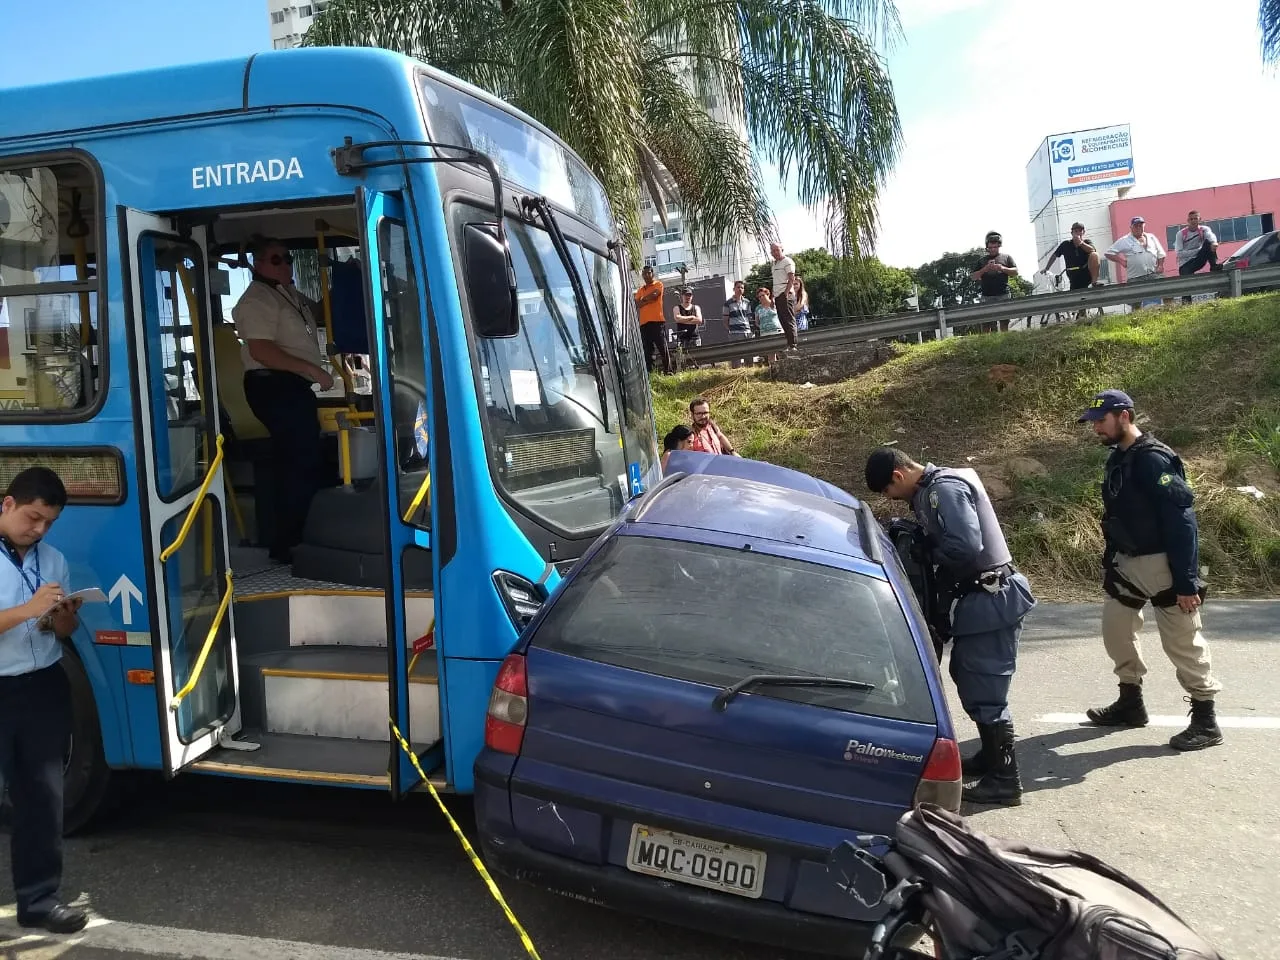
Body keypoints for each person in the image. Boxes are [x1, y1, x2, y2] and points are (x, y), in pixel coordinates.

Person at [865, 448, 1036, 806]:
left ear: (898, 476)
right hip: (980, 598)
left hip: (992, 597)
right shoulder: (933, 487)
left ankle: (1006, 779)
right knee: (969, 676)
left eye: (887, 492)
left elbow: (966, 547)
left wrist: (927, 552)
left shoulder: (943, 490)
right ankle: (991, 759)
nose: (890, 499)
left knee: (984, 684)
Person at [1077, 390, 1223, 751]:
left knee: (1182, 642)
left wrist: (1187, 581)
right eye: (1093, 421)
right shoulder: (1120, 457)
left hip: (1163, 565)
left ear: (1124, 416)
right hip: (1127, 564)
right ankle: (1131, 703)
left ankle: (1206, 719)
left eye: (1101, 420)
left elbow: (1182, 521)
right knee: (1116, 630)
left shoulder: (1154, 459)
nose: (1095, 427)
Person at [0, 467, 88, 934]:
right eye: (33, 517)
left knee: (42, 798)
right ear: (8, 504)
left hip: (41, 683)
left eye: (49, 522)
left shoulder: (52, 560)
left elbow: (61, 632)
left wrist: (61, 616)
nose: (39, 529)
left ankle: (39, 900)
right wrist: (27, 609)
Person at [232, 236, 334, 563]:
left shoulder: (288, 294)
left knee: (305, 459)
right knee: (298, 462)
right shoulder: (256, 300)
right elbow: (262, 350)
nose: (286, 264)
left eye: (288, 258)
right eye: (276, 260)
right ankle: (287, 545)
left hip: (292, 386)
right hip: (273, 384)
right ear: (258, 264)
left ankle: (299, 537)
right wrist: (312, 371)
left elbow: (319, 312)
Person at [1105, 217, 1165, 310]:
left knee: (1168, 289)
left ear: (1143, 226)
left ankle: (1170, 311)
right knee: (1136, 303)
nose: (1138, 228)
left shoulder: (1151, 237)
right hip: (1135, 277)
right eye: (1136, 226)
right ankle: (1136, 319)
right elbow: (1109, 253)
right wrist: (1122, 261)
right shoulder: (1125, 240)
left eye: (1140, 225)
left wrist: (1160, 265)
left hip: (1153, 274)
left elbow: (1161, 253)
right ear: (1131, 227)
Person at [972, 231, 1018, 332]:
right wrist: (985, 269)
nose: (993, 249)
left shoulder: (1007, 257)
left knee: (1004, 321)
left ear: (999, 246)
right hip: (986, 295)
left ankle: (1004, 341)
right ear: (987, 247)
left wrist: (1002, 268)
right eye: (990, 247)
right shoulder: (981, 261)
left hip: (1003, 294)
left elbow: (1015, 272)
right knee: (985, 323)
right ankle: (986, 343)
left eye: (995, 247)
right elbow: (974, 277)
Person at [1173, 211, 1220, 304]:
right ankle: (1186, 306)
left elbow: (1211, 237)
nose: (1193, 221)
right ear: (1188, 220)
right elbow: (1179, 254)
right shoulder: (1181, 234)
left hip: (1198, 259)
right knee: (1186, 288)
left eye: (1195, 218)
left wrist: (1214, 243)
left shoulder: (1204, 229)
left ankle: (1213, 265)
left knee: (1209, 243)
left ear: (1200, 219)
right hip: (1185, 264)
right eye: (1191, 219)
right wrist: (1197, 251)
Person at [634, 265, 671, 375]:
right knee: (648, 350)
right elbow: (637, 303)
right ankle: (651, 373)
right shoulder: (640, 289)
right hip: (644, 323)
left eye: (648, 273)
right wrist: (646, 300)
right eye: (644, 274)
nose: (646, 275)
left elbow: (655, 295)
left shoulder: (658, 284)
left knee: (662, 347)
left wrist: (644, 299)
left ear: (652, 274)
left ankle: (668, 371)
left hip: (657, 321)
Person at [1043, 222, 1101, 291]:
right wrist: (1047, 268)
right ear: (1072, 233)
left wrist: (1081, 243)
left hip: (1086, 272)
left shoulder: (1087, 242)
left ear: (1083, 232)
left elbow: (1092, 250)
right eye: (1076, 231)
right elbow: (1054, 255)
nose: (1078, 233)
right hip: (1073, 273)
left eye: (1080, 231)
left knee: (1095, 254)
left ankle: (1094, 282)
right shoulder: (1066, 244)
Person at [769, 242, 799, 352]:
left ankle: (793, 344)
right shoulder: (774, 264)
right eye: (773, 251)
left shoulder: (787, 261)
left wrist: (786, 293)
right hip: (777, 294)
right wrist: (772, 297)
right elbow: (775, 281)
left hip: (785, 294)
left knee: (789, 319)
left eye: (777, 250)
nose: (775, 252)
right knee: (782, 320)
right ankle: (789, 343)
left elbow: (791, 278)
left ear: (782, 249)